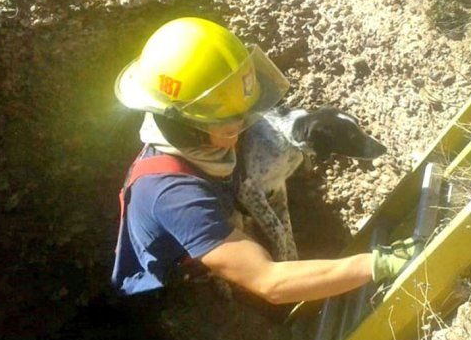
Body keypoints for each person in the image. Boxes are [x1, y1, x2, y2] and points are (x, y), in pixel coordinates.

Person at [111, 17, 413, 304]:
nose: (245, 128)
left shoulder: (205, 141)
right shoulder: (175, 198)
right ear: (190, 129)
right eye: (232, 125)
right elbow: (270, 282)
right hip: (178, 280)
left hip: (214, 216)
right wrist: (376, 263)